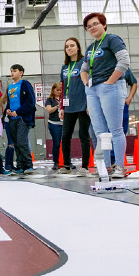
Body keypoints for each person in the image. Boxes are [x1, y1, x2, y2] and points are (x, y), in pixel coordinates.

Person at [80, 12, 130, 179]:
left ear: (104, 24)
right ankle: (105, 167)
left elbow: (124, 61)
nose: (92, 28)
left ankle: (120, 167)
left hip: (111, 87)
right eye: (88, 27)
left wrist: (110, 82)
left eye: (95, 24)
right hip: (93, 90)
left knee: (115, 129)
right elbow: (84, 70)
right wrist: (87, 84)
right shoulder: (91, 48)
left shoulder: (112, 39)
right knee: (99, 131)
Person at [58, 37, 91, 176]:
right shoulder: (64, 67)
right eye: (67, 46)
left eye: (72, 45)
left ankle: (84, 166)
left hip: (83, 105)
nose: (69, 48)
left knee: (84, 135)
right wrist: (61, 107)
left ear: (78, 47)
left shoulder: (84, 62)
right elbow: (63, 87)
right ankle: (66, 165)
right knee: (65, 136)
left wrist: (90, 103)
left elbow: (89, 83)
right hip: (69, 106)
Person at [4, 64, 36, 175]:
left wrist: (18, 112)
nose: (12, 73)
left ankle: (29, 165)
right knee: (16, 143)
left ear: (21, 72)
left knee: (22, 142)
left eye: (15, 71)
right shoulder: (10, 87)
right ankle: (20, 166)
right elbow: (9, 102)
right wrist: (7, 110)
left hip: (23, 117)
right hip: (12, 118)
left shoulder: (25, 84)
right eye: (11, 71)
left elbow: (30, 102)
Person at [45, 82, 63, 170]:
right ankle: (56, 161)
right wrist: (57, 106)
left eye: (60, 90)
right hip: (54, 123)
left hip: (64, 123)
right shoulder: (50, 100)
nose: (59, 92)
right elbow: (49, 110)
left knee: (66, 143)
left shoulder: (64, 99)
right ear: (53, 90)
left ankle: (67, 161)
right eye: (57, 90)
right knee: (56, 143)